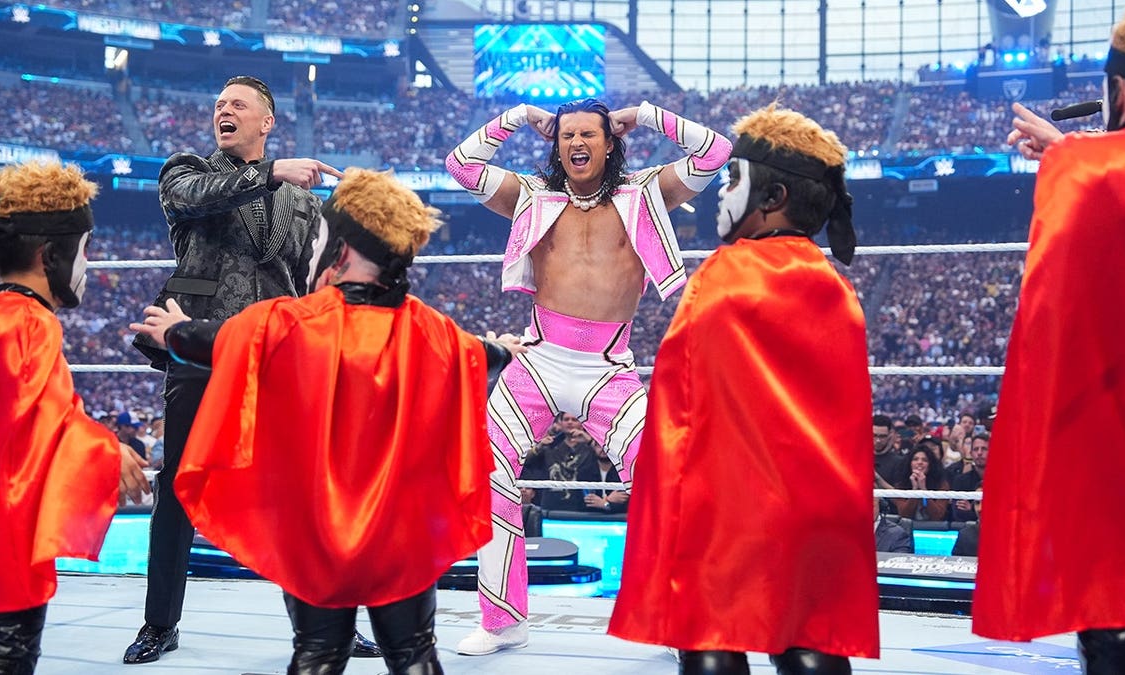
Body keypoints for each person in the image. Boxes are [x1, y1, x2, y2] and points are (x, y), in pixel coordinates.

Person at [131, 167, 524, 675]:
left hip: (317, 532)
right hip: (402, 534)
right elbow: (479, 355)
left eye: (319, 237)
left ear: (341, 250)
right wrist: (504, 349)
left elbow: (221, 342)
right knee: (413, 652)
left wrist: (175, 331)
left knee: (318, 651)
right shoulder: (432, 330)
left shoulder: (293, 322)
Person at [445, 97, 732, 655]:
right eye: (567, 135)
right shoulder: (531, 194)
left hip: (608, 368)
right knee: (485, 468)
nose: (576, 143)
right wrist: (518, 116)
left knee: (663, 477)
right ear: (555, 145)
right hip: (539, 358)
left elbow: (715, 152)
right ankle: (503, 619)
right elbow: (461, 164)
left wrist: (646, 114)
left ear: (610, 142)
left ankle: (678, 617)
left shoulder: (645, 193)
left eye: (588, 135)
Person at [608, 104, 877, 675]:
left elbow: (683, 413)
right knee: (810, 638)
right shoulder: (837, 290)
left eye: (732, 180)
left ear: (772, 197)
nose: (721, 193)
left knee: (710, 633)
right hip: (819, 512)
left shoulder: (724, 277)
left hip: (728, 507)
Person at [123, 75, 380, 664]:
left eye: (237, 104)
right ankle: (159, 624)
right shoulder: (186, 169)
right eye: (219, 104)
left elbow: (313, 278)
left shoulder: (301, 201)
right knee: (179, 487)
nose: (224, 110)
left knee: (303, 490)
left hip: (275, 352)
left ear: (267, 122)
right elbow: (193, 199)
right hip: (197, 345)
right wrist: (272, 172)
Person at [974, 5, 1125, 673]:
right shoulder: (1088, 160)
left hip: (1122, 417)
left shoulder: (1085, 170)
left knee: (1111, 589)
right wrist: (1072, 149)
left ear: (1119, 89)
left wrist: (1070, 156)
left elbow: (1053, 304)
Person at [0, 160, 150, 674]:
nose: (88, 264)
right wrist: (109, 452)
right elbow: (42, 425)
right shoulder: (30, 324)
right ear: (51, 255)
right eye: (84, 250)